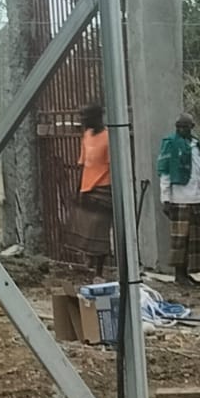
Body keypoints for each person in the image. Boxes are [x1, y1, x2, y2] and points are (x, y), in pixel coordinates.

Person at [157, 113, 200, 287]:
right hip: (179, 198)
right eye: (179, 127)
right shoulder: (171, 143)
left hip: (197, 198)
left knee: (196, 240)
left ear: (191, 127)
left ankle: (189, 273)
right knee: (181, 240)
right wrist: (166, 199)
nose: (182, 130)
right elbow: (165, 172)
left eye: (185, 127)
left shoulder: (196, 145)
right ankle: (179, 275)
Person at [70, 102, 113, 280]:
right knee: (86, 228)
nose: (82, 120)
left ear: (96, 117)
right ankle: (89, 263)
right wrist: (78, 189)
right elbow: (83, 164)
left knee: (99, 230)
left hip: (103, 189)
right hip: (87, 188)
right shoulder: (87, 135)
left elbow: (112, 167)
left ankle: (99, 271)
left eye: (85, 117)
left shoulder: (108, 138)